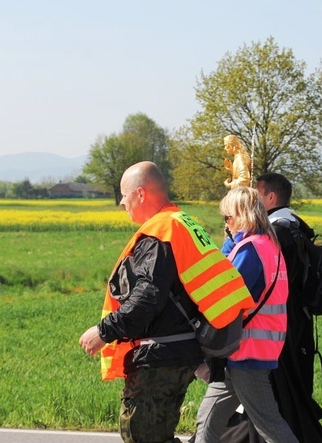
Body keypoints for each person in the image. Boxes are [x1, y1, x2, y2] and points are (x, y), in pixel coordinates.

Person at [79, 161, 255, 443]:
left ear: (140, 193)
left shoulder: (160, 232)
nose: (122, 203)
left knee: (142, 434)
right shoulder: (182, 222)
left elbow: (147, 297)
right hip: (182, 349)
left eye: (124, 196)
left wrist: (103, 331)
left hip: (163, 353)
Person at [194, 187, 298, 443]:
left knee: (269, 423)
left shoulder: (250, 250)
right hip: (251, 349)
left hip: (246, 350)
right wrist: (233, 241)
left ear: (241, 215)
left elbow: (225, 295)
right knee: (208, 418)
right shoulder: (269, 246)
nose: (226, 224)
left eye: (227, 218)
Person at [254, 172, 322, 442]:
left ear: (270, 197)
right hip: (297, 322)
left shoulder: (277, 232)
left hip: (280, 326)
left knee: (284, 397)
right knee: (289, 394)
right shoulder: (295, 225)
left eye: (256, 194)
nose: (252, 200)